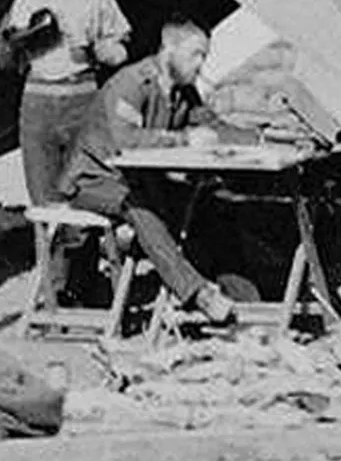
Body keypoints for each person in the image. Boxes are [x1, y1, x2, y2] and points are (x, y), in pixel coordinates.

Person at [56, 17, 239, 322]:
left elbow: (212, 126)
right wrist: (183, 139)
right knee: (140, 207)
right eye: (196, 54)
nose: (201, 65)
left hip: (136, 181)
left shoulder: (183, 90)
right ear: (169, 48)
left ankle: (239, 293)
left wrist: (267, 135)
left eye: (204, 56)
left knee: (209, 200)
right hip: (93, 179)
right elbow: (123, 141)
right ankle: (197, 293)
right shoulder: (131, 83)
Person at [0, 0, 130, 207]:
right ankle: (47, 257)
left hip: (82, 98)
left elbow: (121, 53)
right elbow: (9, 57)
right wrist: (23, 39)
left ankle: (79, 257)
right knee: (44, 200)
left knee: (84, 193)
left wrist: (95, 49)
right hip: (38, 102)